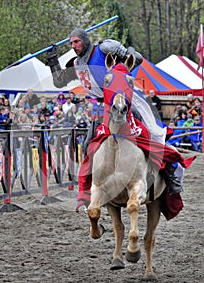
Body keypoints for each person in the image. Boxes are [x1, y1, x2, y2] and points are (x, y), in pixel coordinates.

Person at [46, 28, 188, 209]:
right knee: (90, 144)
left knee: (151, 133)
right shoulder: (76, 63)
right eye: (71, 43)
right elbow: (59, 81)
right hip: (104, 106)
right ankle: (93, 187)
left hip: (125, 99)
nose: (73, 46)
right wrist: (53, 61)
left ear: (85, 40)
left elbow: (136, 58)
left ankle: (170, 174)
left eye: (76, 42)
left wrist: (126, 55)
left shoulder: (105, 49)